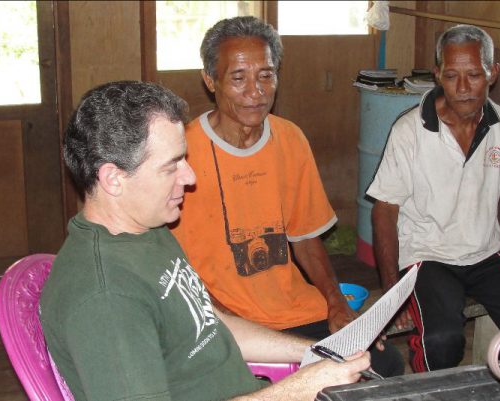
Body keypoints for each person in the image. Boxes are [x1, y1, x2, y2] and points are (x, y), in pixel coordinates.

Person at [39, 81, 371, 401]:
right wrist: (295, 391)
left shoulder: (148, 229)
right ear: (113, 179)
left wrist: (316, 352)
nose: (190, 176)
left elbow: (209, 323)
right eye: (171, 166)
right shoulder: (106, 297)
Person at [170, 16, 403, 377]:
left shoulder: (290, 138)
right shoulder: (182, 152)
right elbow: (172, 265)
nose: (256, 91)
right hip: (222, 318)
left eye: (266, 75)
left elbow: (306, 238)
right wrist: (221, 317)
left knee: (383, 363)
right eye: (238, 78)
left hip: (293, 311)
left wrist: (336, 303)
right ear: (209, 80)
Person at [367, 24, 500, 373]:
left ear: (492, 73)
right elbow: (384, 211)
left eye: (474, 75)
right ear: (438, 74)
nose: (463, 88)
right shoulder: (410, 131)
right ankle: (430, 393)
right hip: (427, 257)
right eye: (451, 76)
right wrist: (392, 292)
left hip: (485, 256)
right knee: (442, 339)